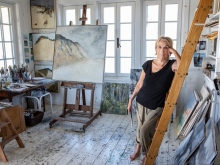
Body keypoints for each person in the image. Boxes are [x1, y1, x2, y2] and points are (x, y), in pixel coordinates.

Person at [127, 36, 181, 164]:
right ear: (156, 49)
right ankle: (138, 150)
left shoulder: (172, 65)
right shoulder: (148, 64)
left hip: (157, 105)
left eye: (166, 47)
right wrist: (131, 100)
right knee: (140, 128)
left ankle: (148, 154)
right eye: (160, 47)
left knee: (146, 130)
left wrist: (174, 51)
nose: (162, 50)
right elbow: (140, 84)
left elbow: (183, 66)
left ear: (170, 50)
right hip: (141, 101)